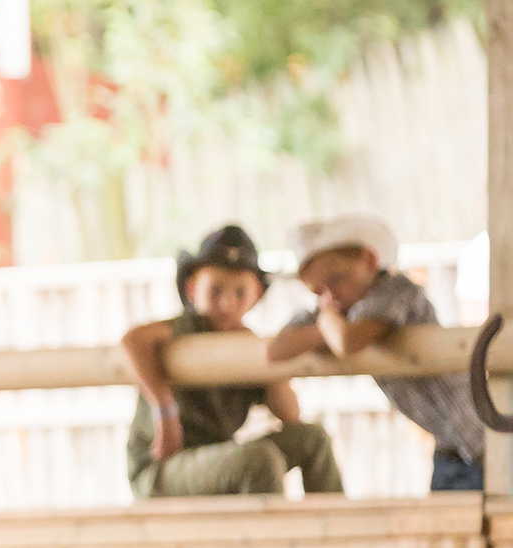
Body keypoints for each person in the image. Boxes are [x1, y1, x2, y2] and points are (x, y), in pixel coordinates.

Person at [121, 224, 342, 499]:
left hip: (216, 461)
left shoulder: (248, 346)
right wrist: (165, 412)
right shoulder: (187, 328)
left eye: (240, 292)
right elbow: (133, 341)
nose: (227, 303)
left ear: (257, 294)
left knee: (313, 439)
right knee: (259, 460)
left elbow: (290, 415)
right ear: (192, 289)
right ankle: (271, 541)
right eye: (215, 291)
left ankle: (330, 531)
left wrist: (266, 357)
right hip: (162, 467)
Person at [264, 213, 478, 491]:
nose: (330, 295)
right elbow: (276, 350)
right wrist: (326, 321)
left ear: (370, 260)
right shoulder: (338, 308)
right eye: (319, 291)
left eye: (337, 279)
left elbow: (348, 342)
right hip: (451, 447)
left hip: (483, 437)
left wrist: (327, 320)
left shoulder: (396, 290)